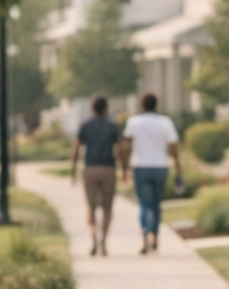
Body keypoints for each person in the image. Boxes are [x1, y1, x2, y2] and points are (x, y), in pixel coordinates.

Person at [119, 92, 180, 254]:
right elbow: (174, 147)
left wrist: (123, 167)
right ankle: (155, 235)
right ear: (156, 104)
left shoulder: (134, 122)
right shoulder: (165, 122)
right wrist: (179, 169)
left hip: (141, 166)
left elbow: (124, 144)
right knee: (156, 204)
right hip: (160, 166)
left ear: (142, 105)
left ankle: (145, 232)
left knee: (144, 204)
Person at [70, 96, 120, 255]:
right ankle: (103, 240)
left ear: (92, 108)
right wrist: (125, 169)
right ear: (106, 108)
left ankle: (93, 237)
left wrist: (72, 171)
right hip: (108, 169)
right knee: (107, 207)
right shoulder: (113, 126)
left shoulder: (85, 126)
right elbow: (121, 149)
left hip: (90, 169)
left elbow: (76, 149)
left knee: (91, 208)